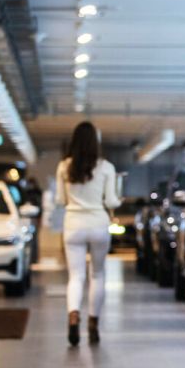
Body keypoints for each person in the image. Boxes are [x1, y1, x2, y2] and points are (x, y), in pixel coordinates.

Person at [55, 122, 121, 345]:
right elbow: (111, 201)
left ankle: (73, 316)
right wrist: (118, 198)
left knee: (76, 276)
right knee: (98, 274)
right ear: (96, 142)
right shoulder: (106, 167)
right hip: (98, 224)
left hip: (73, 224)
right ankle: (93, 324)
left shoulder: (64, 167)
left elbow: (60, 200)